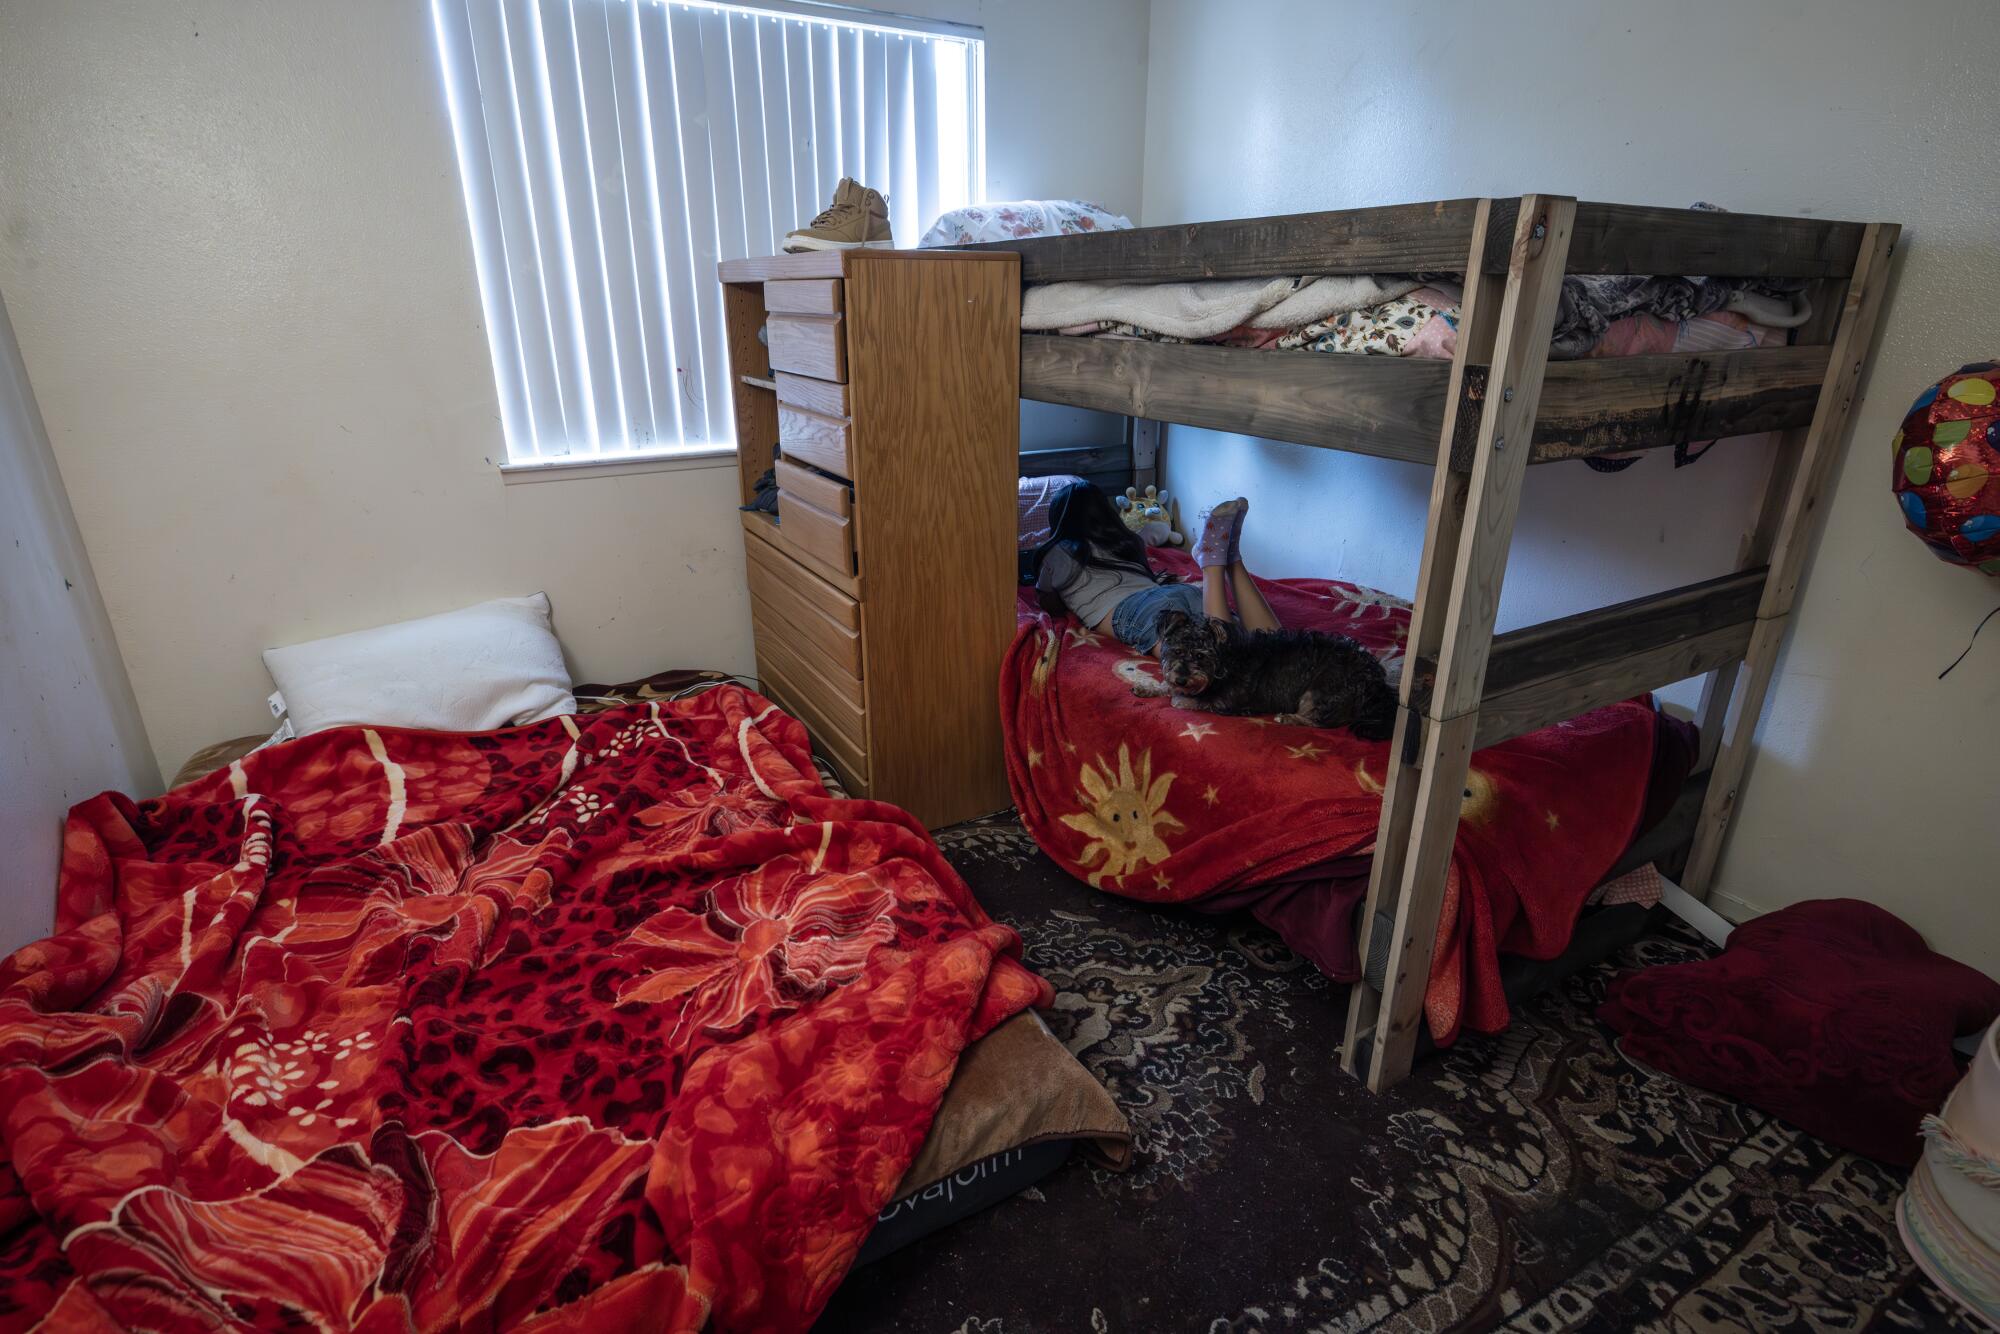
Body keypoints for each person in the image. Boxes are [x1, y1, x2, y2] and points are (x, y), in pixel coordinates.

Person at [1025, 481, 1281, 654]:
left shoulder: (1057, 551)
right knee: (1265, 644)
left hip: (1135, 610)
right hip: (1182, 592)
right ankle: (1230, 557)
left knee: (1211, 661)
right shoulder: (1126, 540)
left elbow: (1049, 604)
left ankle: (1212, 561)